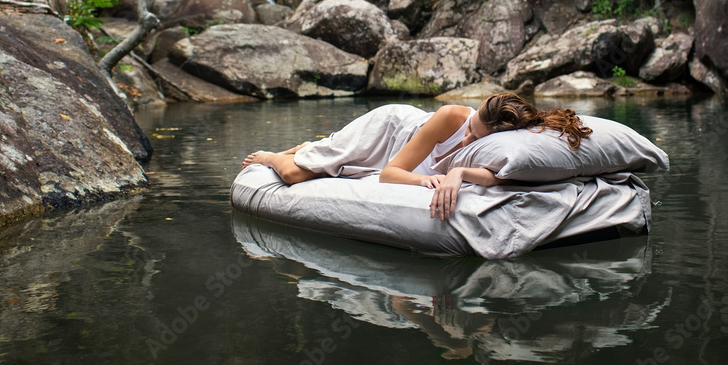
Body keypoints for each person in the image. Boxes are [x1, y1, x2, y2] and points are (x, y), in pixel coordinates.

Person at [241, 93, 592, 221]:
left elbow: (497, 176)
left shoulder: (502, 143)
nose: (467, 138)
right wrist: (425, 180)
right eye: (470, 128)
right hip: (390, 131)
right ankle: (275, 154)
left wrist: (461, 174)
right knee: (294, 175)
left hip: (406, 151)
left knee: (330, 161)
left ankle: (310, 149)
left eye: (476, 137)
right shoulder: (452, 116)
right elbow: (390, 174)